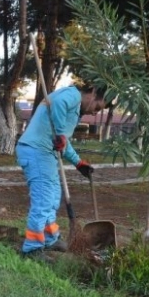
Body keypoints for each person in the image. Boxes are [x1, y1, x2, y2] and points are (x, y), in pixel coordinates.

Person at [15, 84, 106, 258]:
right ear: (93, 92)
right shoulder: (72, 95)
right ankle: (32, 248)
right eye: (97, 107)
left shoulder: (73, 108)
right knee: (43, 200)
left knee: (53, 198)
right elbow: (58, 106)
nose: (95, 113)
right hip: (36, 151)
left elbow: (63, 141)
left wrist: (78, 163)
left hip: (44, 153)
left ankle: (50, 238)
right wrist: (61, 135)